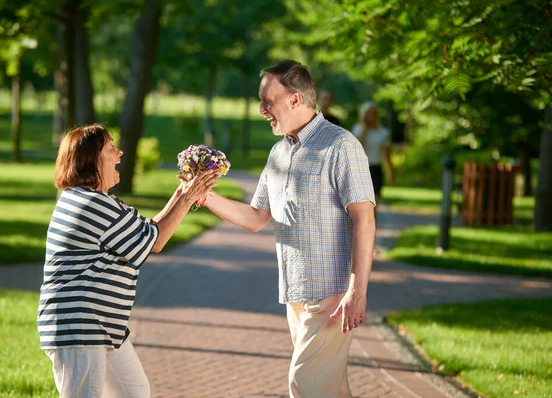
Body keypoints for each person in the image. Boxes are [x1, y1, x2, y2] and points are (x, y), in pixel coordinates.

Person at [204, 60, 376, 398]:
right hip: (295, 291)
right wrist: (204, 195)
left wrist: (357, 291)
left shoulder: (340, 146)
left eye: (268, 100)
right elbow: (256, 217)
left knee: (305, 384)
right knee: (329, 389)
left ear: (295, 99)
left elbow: (365, 219)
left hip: (333, 295)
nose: (261, 109)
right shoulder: (278, 153)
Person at [37, 124, 220, 398]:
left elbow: (150, 230)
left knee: (133, 391)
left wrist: (184, 192)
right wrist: (189, 197)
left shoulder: (95, 201)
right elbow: (155, 242)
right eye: (111, 148)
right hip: (81, 326)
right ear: (91, 159)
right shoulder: (92, 205)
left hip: (102, 326)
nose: (120, 153)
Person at [351, 101, 395, 207]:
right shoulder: (357, 129)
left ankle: (373, 223)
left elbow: (386, 156)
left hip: (376, 170)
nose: (371, 116)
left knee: (374, 205)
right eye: (368, 114)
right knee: (360, 206)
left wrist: (391, 174)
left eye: (373, 113)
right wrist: (364, 131)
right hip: (359, 169)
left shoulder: (383, 133)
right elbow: (355, 149)